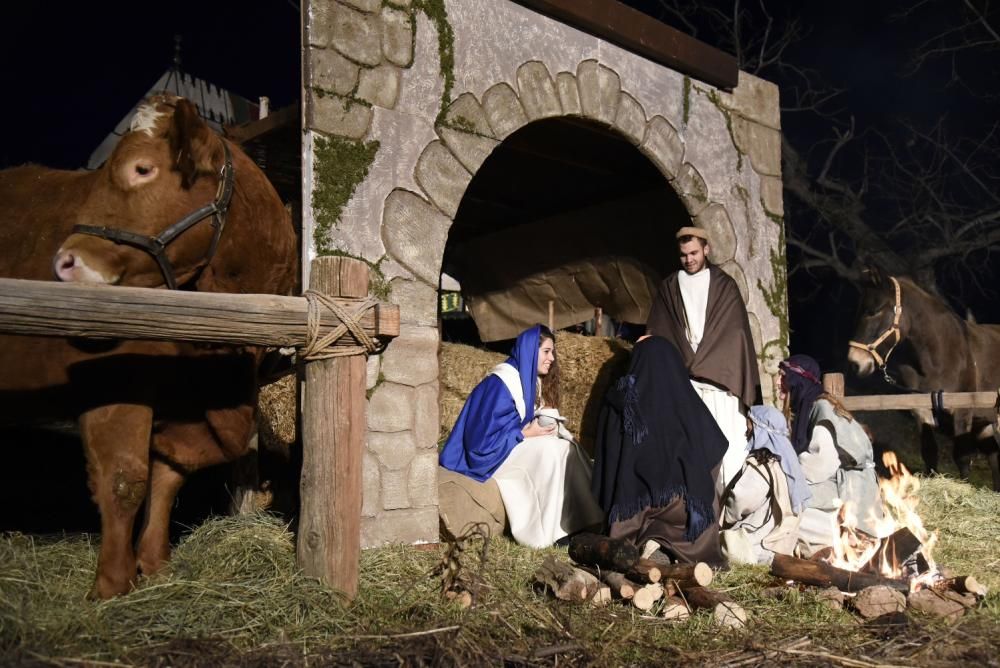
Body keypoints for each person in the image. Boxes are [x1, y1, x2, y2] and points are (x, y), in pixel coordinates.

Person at [439, 324, 603, 548]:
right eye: (546, 352)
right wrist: (525, 433)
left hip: (512, 445)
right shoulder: (501, 384)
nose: (552, 358)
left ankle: (585, 519)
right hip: (492, 455)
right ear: (530, 352)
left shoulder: (530, 381)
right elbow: (480, 440)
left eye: (552, 352)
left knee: (566, 448)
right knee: (551, 451)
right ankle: (548, 532)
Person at [591, 336, 728, 566]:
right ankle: (672, 547)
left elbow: (608, 465)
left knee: (631, 501)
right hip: (687, 516)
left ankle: (649, 540)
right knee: (703, 495)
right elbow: (715, 455)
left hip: (636, 512)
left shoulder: (621, 400)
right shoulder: (690, 402)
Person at [645, 227, 761, 492]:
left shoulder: (724, 286)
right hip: (686, 383)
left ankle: (729, 507)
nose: (689, 259)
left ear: (706, 249)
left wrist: (709, 360)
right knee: (689, 448)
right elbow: (660, 331)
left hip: (720, 383)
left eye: (694, 253)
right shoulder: (671, 286)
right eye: (684, 255)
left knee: (728, 447)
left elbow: (736, 335)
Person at [779, 354, 885, 557]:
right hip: (840, 483)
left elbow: (821, 464)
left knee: (787, 503)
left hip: (853, 489)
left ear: (797, 380)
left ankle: (839, 537)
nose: (777, 381)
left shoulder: (821, 408)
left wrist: (786, 471)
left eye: (783, 376)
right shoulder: (810, 407)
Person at [719, 405, 808, 565]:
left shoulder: (762, 465)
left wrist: (724, 518)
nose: (746, 432)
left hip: (756, 546)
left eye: (749, 427)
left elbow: (740, 502)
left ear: (760, 429)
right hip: (783, 546)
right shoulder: (789, 464)